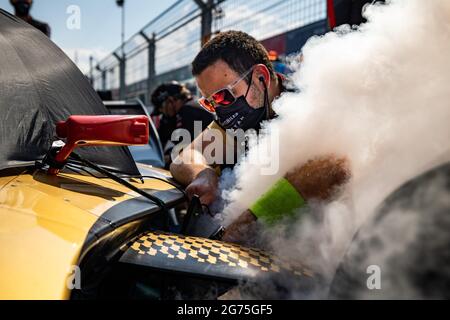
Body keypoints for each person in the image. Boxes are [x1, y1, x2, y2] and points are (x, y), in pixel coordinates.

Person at [170, 31, 349, 243]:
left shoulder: (310, 101)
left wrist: (239, 232)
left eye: (224, 96)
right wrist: (203, 174)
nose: (219, 109)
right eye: (210, 103)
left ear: (260, 77)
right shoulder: (235, 118)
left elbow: (330, 167)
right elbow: (185, 157)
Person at [151, 81, 214, 166]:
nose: (162, 111)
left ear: (171, 100)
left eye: (161, 107)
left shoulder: (189, 111)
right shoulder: (191, 107)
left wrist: (169, 157)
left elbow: (187, 148)